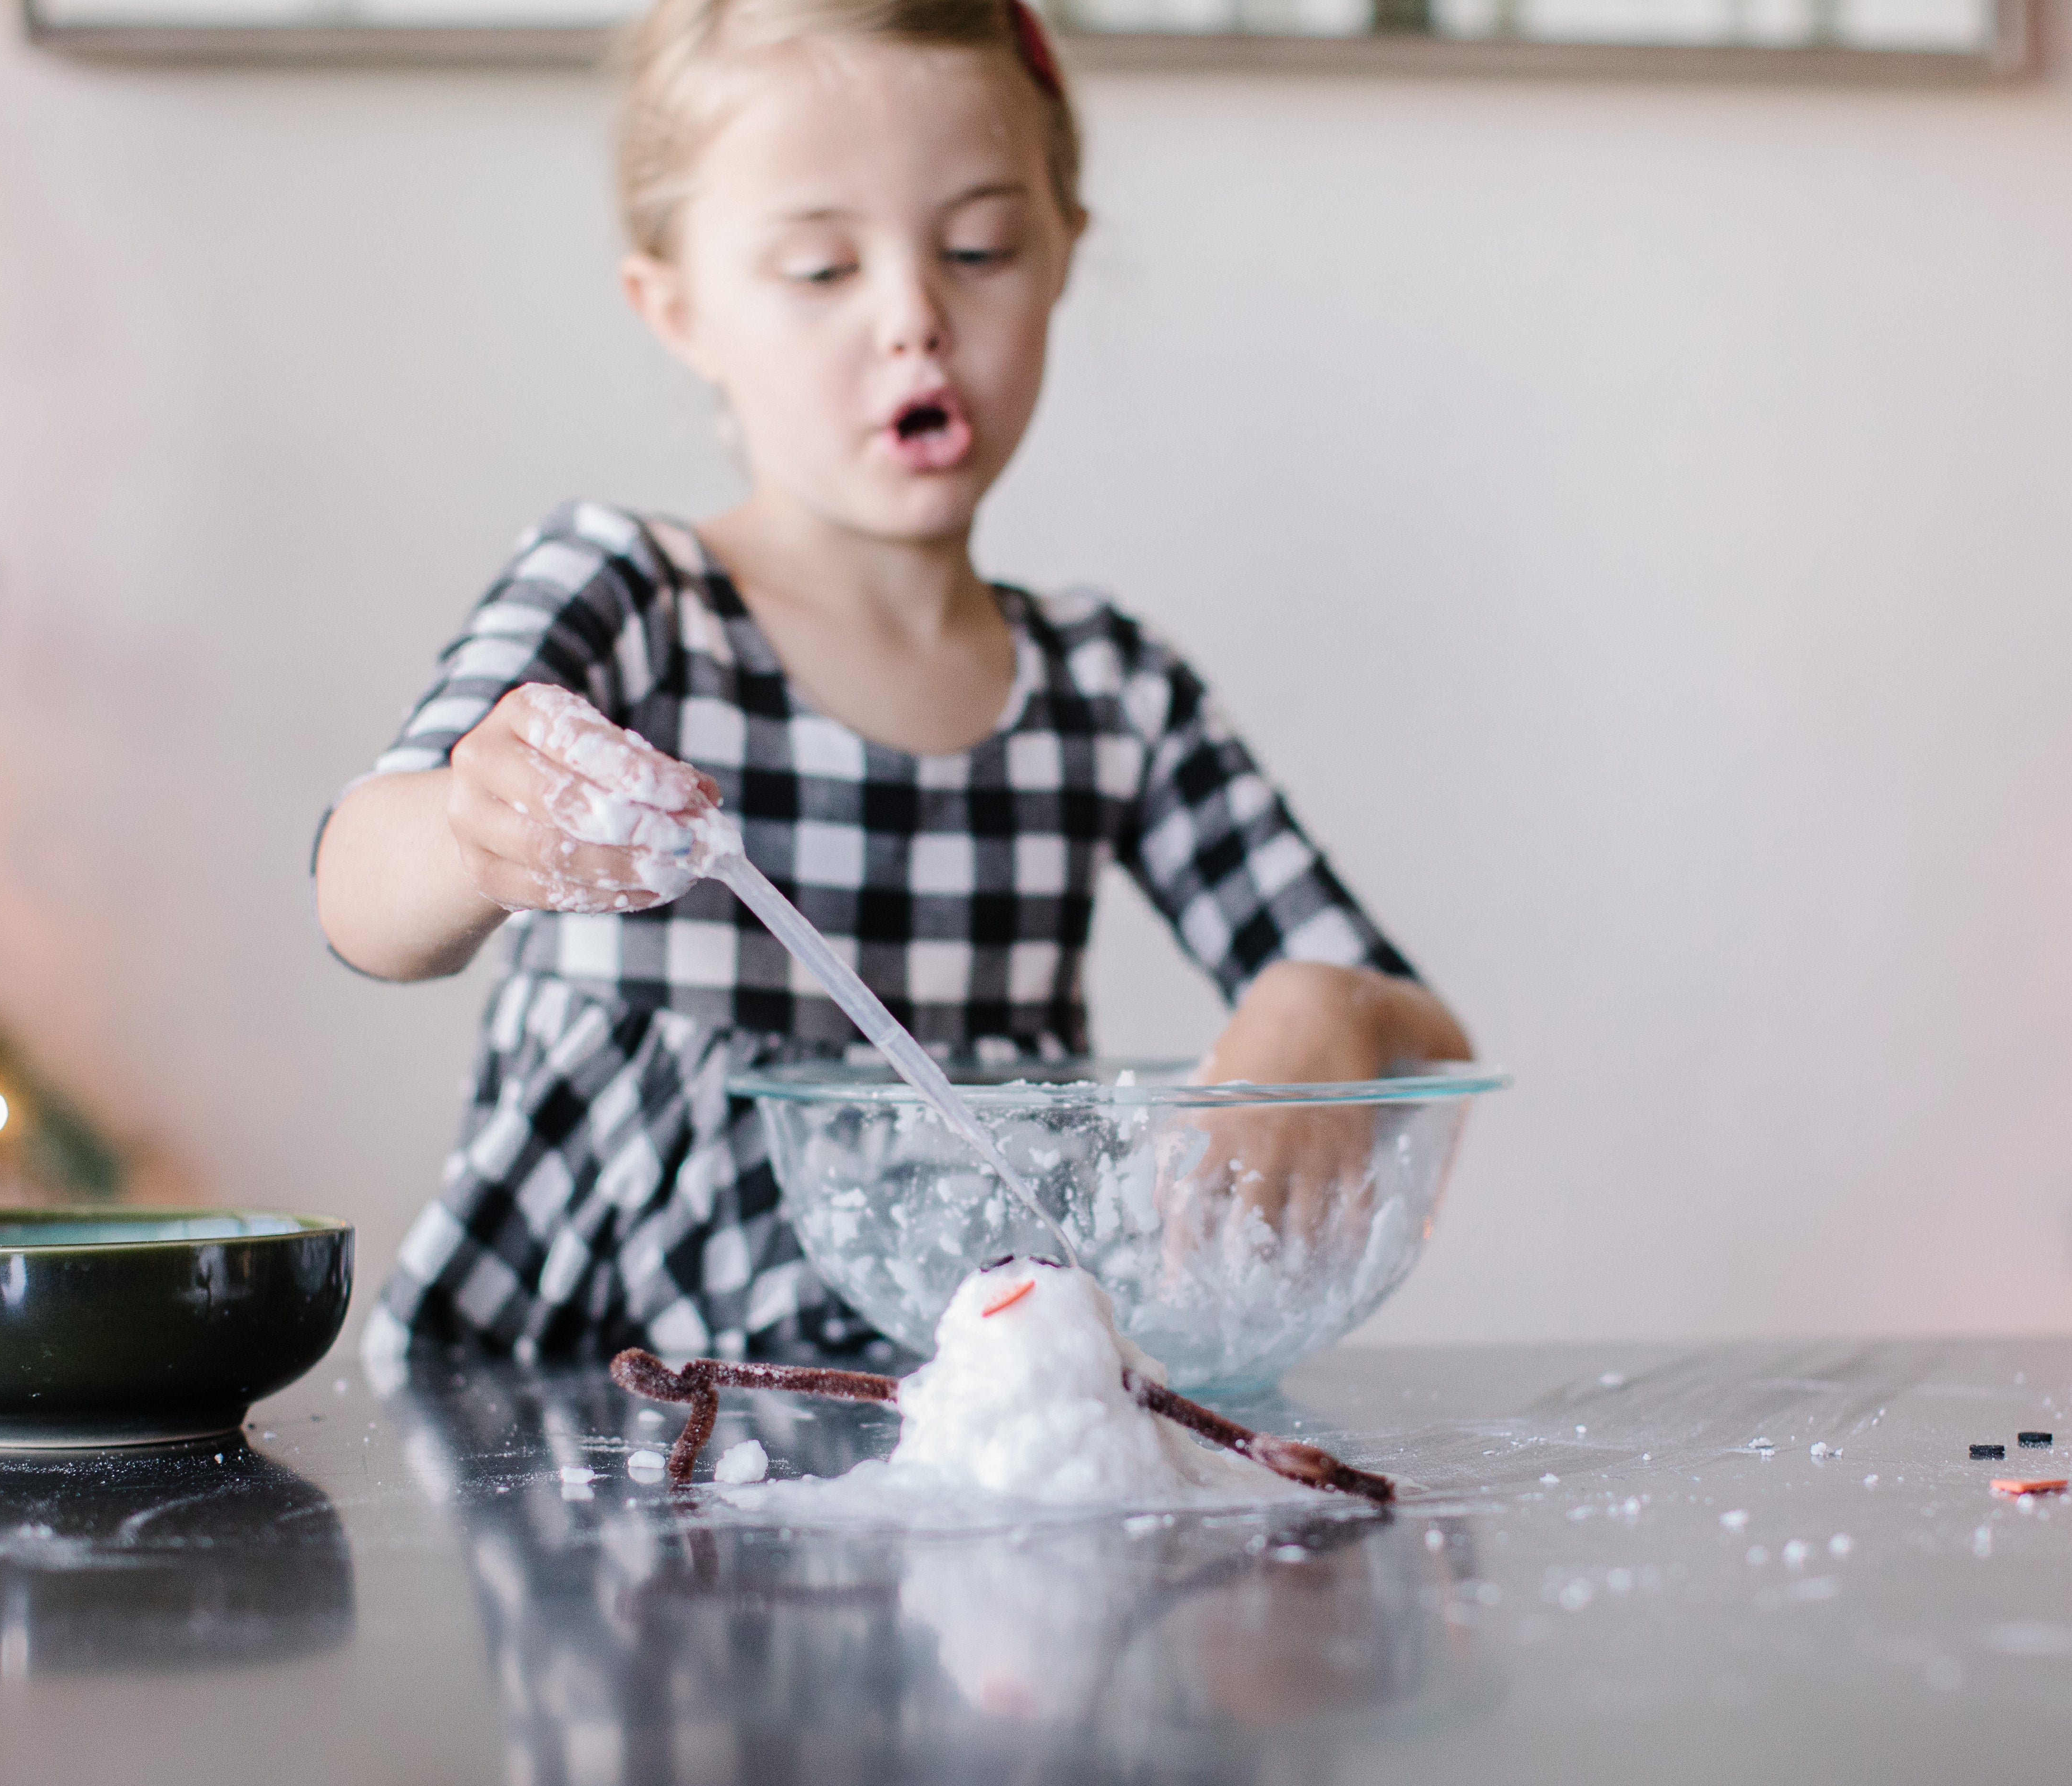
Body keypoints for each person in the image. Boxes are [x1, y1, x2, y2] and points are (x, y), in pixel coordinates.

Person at [314, 0, 1469, 1364]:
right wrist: (469, 827)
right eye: (819, 270)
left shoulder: (1111, 692)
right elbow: (358, 898)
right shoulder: (632, 599)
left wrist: (1327, 1009)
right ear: (678, 309)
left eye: (980, 249)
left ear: (1061, 260)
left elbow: (1422, 1031)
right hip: (591, 1416)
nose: (915, 319)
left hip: (962, 1430)